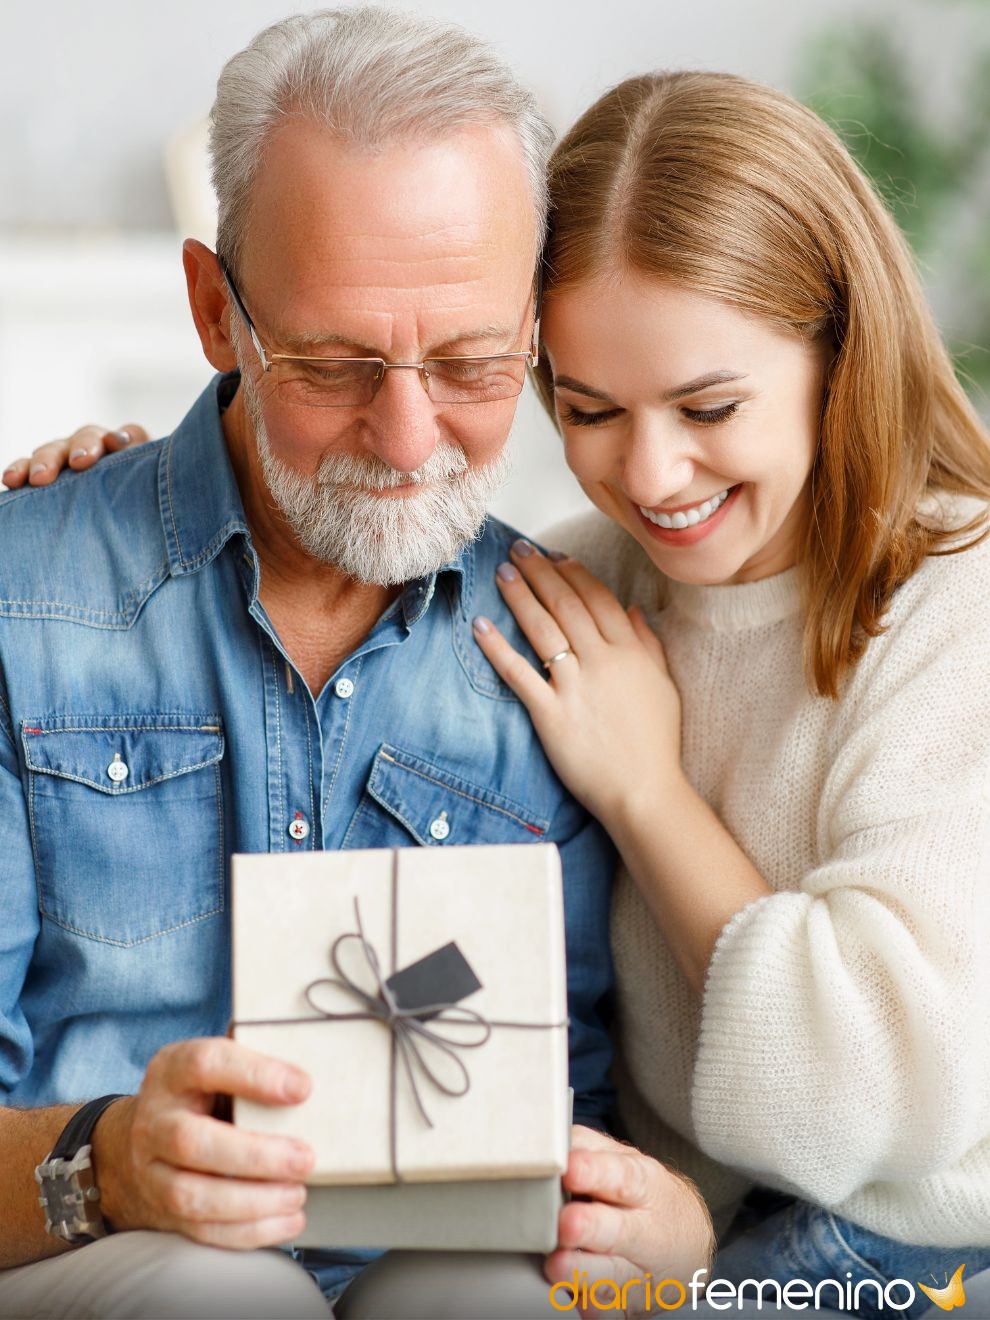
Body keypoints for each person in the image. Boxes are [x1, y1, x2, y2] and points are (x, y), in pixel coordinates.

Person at [0, 13, 714, 1319]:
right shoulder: (20, 605)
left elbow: (594, 1134)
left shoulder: (571, 645)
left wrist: (666, 1229)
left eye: (472, 365)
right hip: (93, 1261)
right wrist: (97, 1166)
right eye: (332, 367)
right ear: (217, 312)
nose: (403, 436)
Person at [463, 71, 990, 1319]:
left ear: (835, 352)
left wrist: (645, 787)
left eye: (708, 407)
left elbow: (863, 1100)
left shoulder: (953, 601)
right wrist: (116, 489)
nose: (649, 474)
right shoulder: (579, 581)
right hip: (669, 1214)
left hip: (910, 1245)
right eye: (588, 411)